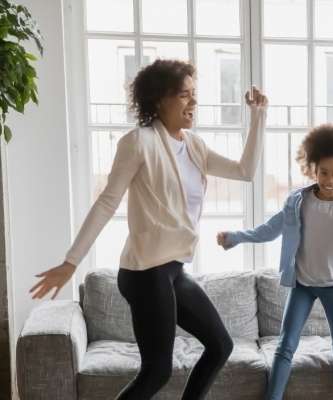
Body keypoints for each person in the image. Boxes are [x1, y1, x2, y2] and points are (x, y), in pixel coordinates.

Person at [29, 59, 269, 400]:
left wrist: (258, 117)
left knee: (219, 345)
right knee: (157, 371)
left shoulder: (194, 146)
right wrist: (71, 262)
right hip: (144, 273)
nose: (193, 102)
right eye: (184, 95)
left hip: (172, 270)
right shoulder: (139, 142)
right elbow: (106, 203)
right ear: (159, 100)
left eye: (194, 94)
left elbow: (245, 171)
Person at [217, 123, 333, 400]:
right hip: (303, 284)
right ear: (313, 168)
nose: (329, 180)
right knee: (285, 346)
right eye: (323, 172)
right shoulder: (298, 201)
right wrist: (235, 237)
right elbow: (269, 230)